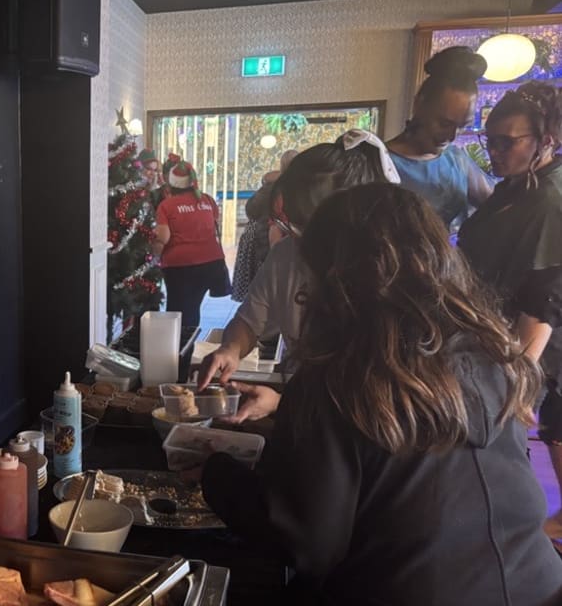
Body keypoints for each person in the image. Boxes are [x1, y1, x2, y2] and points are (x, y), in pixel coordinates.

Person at [203, 183, 562, 605]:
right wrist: (286, 409)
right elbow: (410, 447)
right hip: (537, 585)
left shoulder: (338, 375)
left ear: (334, 274)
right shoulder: (491, 350)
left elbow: (306, 541)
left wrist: (216, 475)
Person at [197, 131, 396, 413]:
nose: (299, 238)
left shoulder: (391, 273)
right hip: (303, 402)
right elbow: (250, 321)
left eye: (310, 226)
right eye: (292, 224)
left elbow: (380, 400)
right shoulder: (286, 255)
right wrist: (230, 349)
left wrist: (282, 405)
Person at [457, 81, 562, 540]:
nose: (495, 152)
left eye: (508, 142)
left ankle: (507, 540)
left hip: (519, 348)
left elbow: (543, 301)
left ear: (545, 141)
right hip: (488, 336)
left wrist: (516, 379)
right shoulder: (516, 187)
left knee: (503, 441)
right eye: (490, 140)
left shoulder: (547, 199)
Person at [387, 46, 492, 228]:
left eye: (462, 127)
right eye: (444, 123)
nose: (452, 136)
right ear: (419, 103)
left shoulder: (457, 160)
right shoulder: (378, 162)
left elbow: (498, 206)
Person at [152, 155, 230, 327]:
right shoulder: (208, 200)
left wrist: (153, 257)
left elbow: (163, 237)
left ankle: (179, 350)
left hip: (180, 266)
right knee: (193, 308)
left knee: (178, 313)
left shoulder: (167, 205)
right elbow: (213, 223)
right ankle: (187, 345)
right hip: (211, 263)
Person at [231, 149, 297, 303]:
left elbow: (251, 209)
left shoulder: (273, 183)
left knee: (260, 286)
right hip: (265, 238)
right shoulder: (287, 186)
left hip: (259, 236)